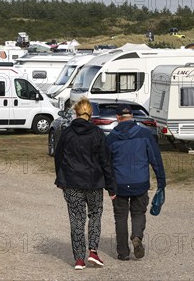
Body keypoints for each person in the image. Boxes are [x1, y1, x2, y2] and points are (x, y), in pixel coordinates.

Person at [54, 97, 117, 270]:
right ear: (90, 113)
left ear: (75, 112)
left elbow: (58, 157)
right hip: (94, 183)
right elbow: (106, 161)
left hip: (71, 182)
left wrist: (60, 179)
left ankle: (79, 259)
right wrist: (111, 187)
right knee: (95, 215)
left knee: (76, 219)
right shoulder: (97, 133)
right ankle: (93, 251)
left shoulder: (67, 133)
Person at [105, 104, 166, 261]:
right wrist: (161, 182)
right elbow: (155, 159)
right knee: (138, 213)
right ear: (131, 116)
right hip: (140, 182)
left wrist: (108, 186)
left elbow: (106, 165)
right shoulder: (145, 134)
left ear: (118, 118)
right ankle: (137, 236)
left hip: (119, 185)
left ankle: (123, 252)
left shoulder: (111, 138)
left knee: (120, 217)